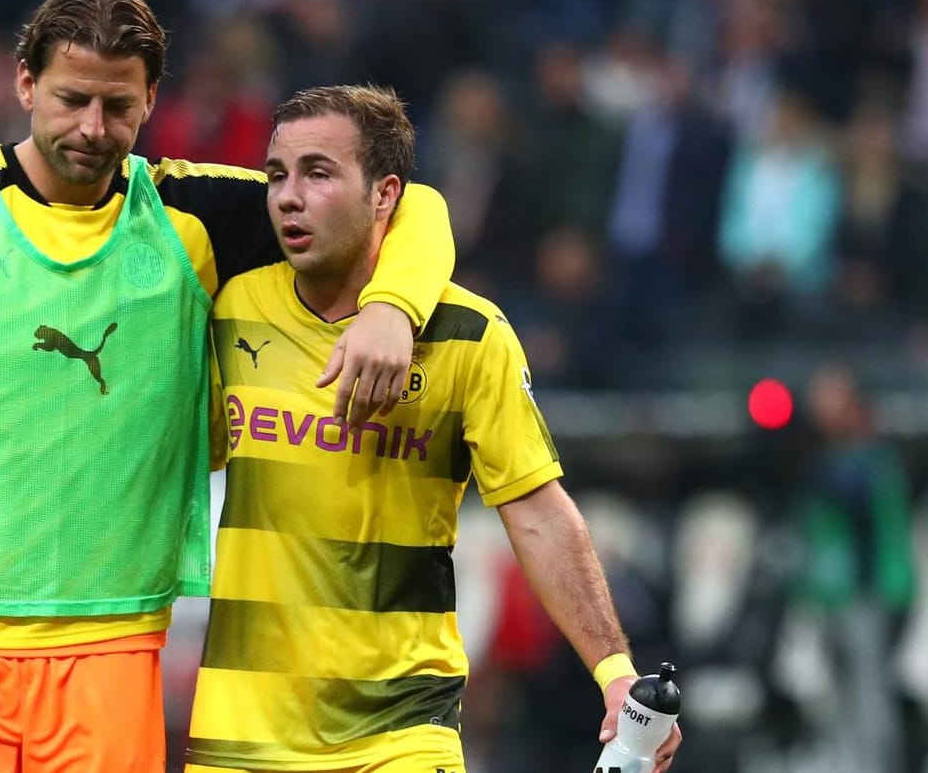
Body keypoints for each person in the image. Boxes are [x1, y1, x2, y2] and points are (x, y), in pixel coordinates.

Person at [0, 0, 455, 773]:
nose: (93, 128)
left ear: (151, 100)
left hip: (113, 649)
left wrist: (390, 307)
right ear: (25, 82)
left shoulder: (191, 215)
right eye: (71, 99)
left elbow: (406, 207)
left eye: (119, 107)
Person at [187, 84, 683, 773]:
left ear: (385, 194)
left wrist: (614, 671)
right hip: (239, 739)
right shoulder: (230, 310)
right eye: (277, 174)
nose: (286, 196)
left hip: (401, 731)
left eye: (318, 173)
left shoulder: (469, 334)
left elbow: (537, 511)